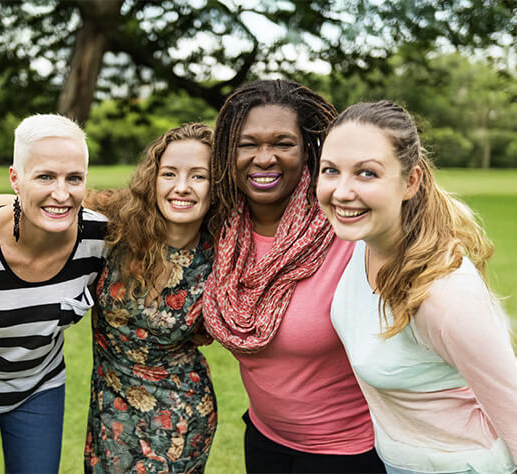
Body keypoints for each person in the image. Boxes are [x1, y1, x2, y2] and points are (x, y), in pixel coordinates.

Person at [317, 100, 517, 473]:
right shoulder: (358, 244)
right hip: (397, 460)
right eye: (331, 170)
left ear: (410, 181)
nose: (342, 191)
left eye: (366, 174)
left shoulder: (443, 294)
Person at [202, 79, 385, 473]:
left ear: (308, 151)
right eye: (247, 144)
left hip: (350, 453)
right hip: (265, 441)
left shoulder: (347, 234)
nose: (264, 158)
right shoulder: (219, 232)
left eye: (282, 143)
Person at [0, 114, 108, 473]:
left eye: (74, 178)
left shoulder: (100, 238)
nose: (62, 193)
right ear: (15, 179)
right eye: (45, 176)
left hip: (41, 387)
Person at [83, 123, 217, 473]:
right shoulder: (118, 222)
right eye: (169, 173)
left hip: (180, 416)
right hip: (109, 412)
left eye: (199, 176)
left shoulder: (222, 254)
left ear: (217, 187)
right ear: (153, 179)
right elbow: (51, 205)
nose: (182, 187)